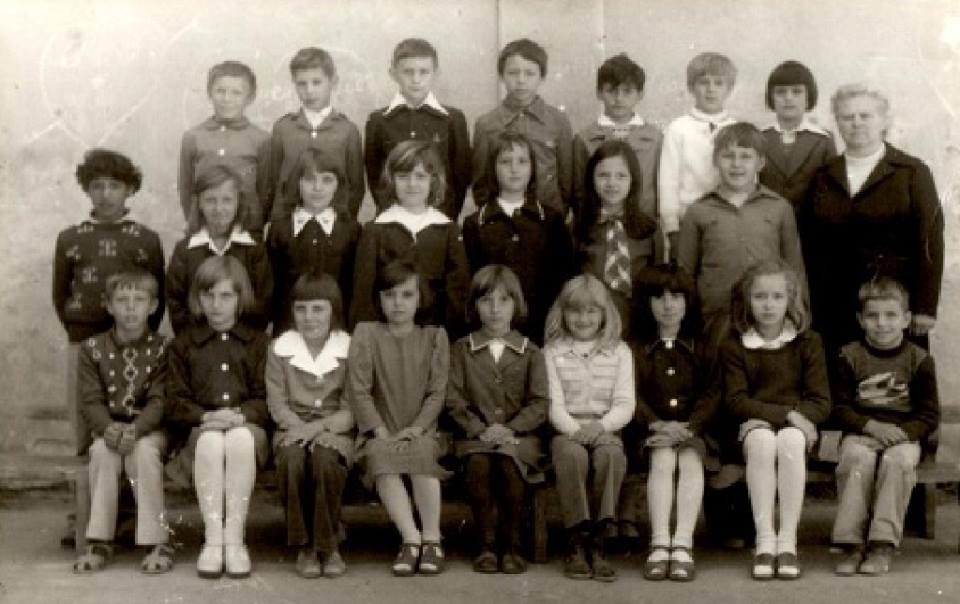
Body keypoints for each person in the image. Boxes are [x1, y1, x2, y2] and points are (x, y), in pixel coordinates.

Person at [801, 84, 944, 356]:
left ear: (884, 120)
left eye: (865, 116)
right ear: (837, 123)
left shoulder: (912, 172)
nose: (856, 123)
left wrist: (925, 307)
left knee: (892, 376)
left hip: (892, 306)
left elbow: (930, 242)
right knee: (840, 374)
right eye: (847, 117)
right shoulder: (823, 176)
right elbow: (809, 243)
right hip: (833, 303)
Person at [721, 260, 831, 580]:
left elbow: (821, 402)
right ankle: (765, 541)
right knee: (762, 439)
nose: (768, 305)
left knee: (791, 439)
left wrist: (792, 420)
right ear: (747, 300)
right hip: (752, 429)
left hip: (797, 432)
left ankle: (787, 542)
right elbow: (736, 400)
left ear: (790, 300)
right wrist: (787, 414)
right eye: (760, 297)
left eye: (777, 296)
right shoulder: (735, 345)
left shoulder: (808, 342)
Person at [53, 148, 165, 455]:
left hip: (133, 340)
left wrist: (140, 333)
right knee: (84, 413)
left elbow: (157, 293)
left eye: (114, 186)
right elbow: (60, 294)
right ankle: (84, 472)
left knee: (129, 411)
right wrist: (77, 327)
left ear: (129, 189)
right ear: (87, 189)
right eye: (97, 186)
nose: (106, 194)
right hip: (83, 338)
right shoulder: (70, 238)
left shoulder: (145, 239)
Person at [166, 256, 271, 579]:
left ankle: (235, 540)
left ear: (241, 298)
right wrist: (205, 417)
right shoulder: (183, 344)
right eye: (208, 295)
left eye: (226, 296)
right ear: (197, 298)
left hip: (246, 431)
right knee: (211, 441)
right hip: (201, 434)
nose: (216, 305)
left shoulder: (258, 342)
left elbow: (267, 398)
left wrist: (241, 415)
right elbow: (175, 401)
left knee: (239, 439)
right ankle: (213, 540)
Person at [346, 260, 450, 576]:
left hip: (422, 429)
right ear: (379, 299)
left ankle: (432, 538)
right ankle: (410, 538)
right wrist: (379, 430)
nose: (398, 303)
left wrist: (417, 428)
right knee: (381, 456)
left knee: (421, 453)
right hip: (380, 430)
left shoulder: (434, 337)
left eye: (407, 295)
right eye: (389, 295)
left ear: (420, 298)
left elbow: (437, 392)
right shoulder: (366, 334)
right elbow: (359, 389)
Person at [831, 277, 939, 576]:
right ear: (860, 320)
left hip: (903, 436)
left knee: (898, 461)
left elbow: (929, 415)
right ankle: (851, 544)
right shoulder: (848, 356)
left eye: (891, 315)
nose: (882, 323)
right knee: (857, 458)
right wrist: (871, 427)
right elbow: (839, 408)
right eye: (873, 316)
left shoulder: (919, 359)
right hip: (861, 433)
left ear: (906, 319)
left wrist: (901, 435)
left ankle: (882, 544)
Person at [446, 265, 548, 574]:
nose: (495, 309)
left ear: (516, 304)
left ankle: (512, 544)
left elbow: (540, 402)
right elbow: (453, 398)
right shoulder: (462, 349)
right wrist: (479, 429)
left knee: (509, 463)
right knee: (478, 465)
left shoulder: (531, 352)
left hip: (518, 439)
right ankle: (486, 545)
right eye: (486, 300)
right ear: (474, 305)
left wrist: (511, 429)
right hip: (475, 438)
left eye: (504, 300)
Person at [72, 271, 172, 575]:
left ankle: (156, 541)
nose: (130, 308)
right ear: (108, 305)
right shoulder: (91, 348)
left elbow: (160, 400)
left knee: (143, 452)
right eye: (122, 300)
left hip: (150, 431)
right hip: (109, 430)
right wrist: (108, 428)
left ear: (152, 306)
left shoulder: (164, 348)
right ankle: (100, 540)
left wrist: (136, 430)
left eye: (139, 300)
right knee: (102, 452)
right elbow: (90, 401)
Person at [630, 265, 718, 582]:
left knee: (691, 458)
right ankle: (659, 544)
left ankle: (682, 544)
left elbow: (712, 393)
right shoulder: (635, 348)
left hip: (693, 432)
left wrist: (690, 427)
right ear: (646, 303)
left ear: (688, 301)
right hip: (651, 434)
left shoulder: (703, 346)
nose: (668, 305)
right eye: (659, 297)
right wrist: (655, 424)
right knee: (663, 458)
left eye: (676, 297)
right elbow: (630, 394)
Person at [544, 274, 635, 582]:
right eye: (575, 311)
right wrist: (576, 432)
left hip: (605, 427)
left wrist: (599, 427)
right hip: (566, 430)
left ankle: (599, 537)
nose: (583, 319)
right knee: (573, 456)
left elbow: (625, 404)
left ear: (604, 314)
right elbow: (553, 405)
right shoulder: (553, 352)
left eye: (591, 311)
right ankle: (576, 537)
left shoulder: (619, 351)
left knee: (611, 455)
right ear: (562, 313)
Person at [266, 272, 355, 579]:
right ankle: (304, 544)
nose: (309, 317)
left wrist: (318, 429)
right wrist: (298, 428)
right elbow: (277, 403)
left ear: (334, 310)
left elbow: (351, 409)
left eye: (318, 309)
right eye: (301, 309)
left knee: (325, 460)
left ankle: (328, 545)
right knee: (291, 460)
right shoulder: (280, 349)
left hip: (334, 428)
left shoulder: (349, 349)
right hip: (291, 427)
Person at [677, 122, 806, 333]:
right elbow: (685, 275)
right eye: (728, 156)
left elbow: (794, 269)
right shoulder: (698, 211)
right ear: (715, 160)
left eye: (746, 156)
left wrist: (800, 317)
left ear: (760, 163)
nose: (736, 164)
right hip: (715, 318)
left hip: (767, 321)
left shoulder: (779, 208)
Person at [462, 131, 575, 343]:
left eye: (522, 161)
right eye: (505, 161)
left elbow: (564, 276)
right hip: (493, 329)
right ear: (493, 168)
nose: (514, 169)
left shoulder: (551, 221)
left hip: (542, 330)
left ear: (532, 168)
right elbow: (471, 284)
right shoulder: (475, 224)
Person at [350, 141, 469, 332]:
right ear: (391, 180)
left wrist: (449, 338)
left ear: (433, 180)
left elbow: (457, 294)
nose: (412, 184)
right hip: (386, 335)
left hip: (434, 335)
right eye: (403, 177)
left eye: (420, 176)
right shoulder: (376, 230)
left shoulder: (448, 230)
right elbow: (363, 296)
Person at [364, 38, 471, 220]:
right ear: (393, 73)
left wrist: (446, 216)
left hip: (440, 217)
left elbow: (460, 176)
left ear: (435, 73)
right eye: (408, 72)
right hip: (393, 218)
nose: (416, 80)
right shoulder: (379, 121)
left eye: (424, 72)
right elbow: (376, 177)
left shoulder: (452, 119)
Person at [166, 164, 272, 333]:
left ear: (238, 202)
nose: (219, 209)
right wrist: (199, 340)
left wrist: (240, 339)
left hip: (245, 342)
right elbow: (175, 301)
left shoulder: (253, 249)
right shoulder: (185, 250)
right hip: (195, 342)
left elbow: (263, 301)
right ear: (199, 203)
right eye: (210, 200)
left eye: (227, 200)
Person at [473, 38, 573, 215]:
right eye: (513, 73)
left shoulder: (558, 121)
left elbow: (567, 180)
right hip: (502, 219)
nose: (521, 80)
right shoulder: (486, 124)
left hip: (549, 218)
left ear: (542, 77)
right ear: (501, 76)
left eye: (529, 73)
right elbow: (480, 183)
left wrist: (559, 214)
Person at [267, 149, 360, 334]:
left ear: (338, 185)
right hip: (289, 325)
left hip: (336, 327)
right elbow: (272, 284)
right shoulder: (280, 228)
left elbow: (353, 286)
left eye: (327, 180)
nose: (318, 188)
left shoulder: (350, 229)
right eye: (310, 179)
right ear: (297, 183)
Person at [572, 53, 661, 245]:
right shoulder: (584, 139)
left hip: (643, 230)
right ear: (599, 93)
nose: (619, 98)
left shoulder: (655, 138)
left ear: (640, 94)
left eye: (627, 91)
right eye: (611, 91)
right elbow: (579, 192)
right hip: (598, 231)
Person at [267, 47, 365, 220]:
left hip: (334, 224)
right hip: (288, 223)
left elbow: (355, 186)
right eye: (302, 84)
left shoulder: (347, 130)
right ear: (294, 83)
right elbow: (274, 181)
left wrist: (344, 224)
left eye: (317, 82)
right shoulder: (283, 128)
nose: (309, 90)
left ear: (333, 81)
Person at [178, 61, 270, 236]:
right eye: (220, 91)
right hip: (204, 229)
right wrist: (197, 222)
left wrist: (253, 224)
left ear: (250, 97)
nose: (227, 99)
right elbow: (186, 189)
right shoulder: (193, 137)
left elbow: (265, 192)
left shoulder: (261, 140)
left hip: (246, 231)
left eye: (236, 93)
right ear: (209, 93)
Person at [659, 52, 738, 258]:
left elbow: (748, 178)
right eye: (704, 82)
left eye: (719, 83)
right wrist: (672, 229)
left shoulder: (737, 128)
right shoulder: (678, 129)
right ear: (691, 87)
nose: (711, 89)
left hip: (729, 219)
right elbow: (668, 182)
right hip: (688, 222)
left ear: (729, 88)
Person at [576, 140, 657, 335]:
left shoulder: (650, 230)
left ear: (633, 180)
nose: (612, 183)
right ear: (591, 179)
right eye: (603, 175)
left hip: (637, 326)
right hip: (589, 327)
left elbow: (657, 285)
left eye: (621, 176)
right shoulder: (578, 228)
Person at [759, 61, 836, 209]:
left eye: (796, 92)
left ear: (809, 98)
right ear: (771, 98)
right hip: (767, 219)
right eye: (781, 92)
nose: (788, 98)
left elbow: (830, 192)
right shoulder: (759, 138)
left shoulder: (823, 140)